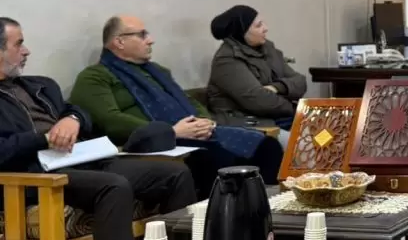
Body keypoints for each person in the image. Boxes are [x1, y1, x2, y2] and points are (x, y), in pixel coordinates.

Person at [0, 17, 196, 240]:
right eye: (19, 44)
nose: (26, 51)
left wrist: (72, 119)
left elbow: (79, 112)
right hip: (37, 174)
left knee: (175, 174)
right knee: (113, 186)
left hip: (81, 158)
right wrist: (45, 138)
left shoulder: (40, 85)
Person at [69, 16, 284, 191]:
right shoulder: (94, 77)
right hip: (148, 144)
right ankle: (220, 223)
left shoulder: (158, 71)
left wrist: (204, 122)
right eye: (142, 35)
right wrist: (171, 131)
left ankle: (264, 213)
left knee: (267, 146)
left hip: (191, 133)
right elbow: (110, 121)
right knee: (215, 156)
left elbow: (189, 101)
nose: (150, 40)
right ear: (119, 41)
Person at [206, 5, 306, 143]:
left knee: (328, 135)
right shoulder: (227, 60)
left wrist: (277, 87)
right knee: (305, 146)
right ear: (241, 32)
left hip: (280, 117)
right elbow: (260, 101)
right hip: (251, 125)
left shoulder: (267, 49)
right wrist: (296, 107)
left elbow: (300, 81)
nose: (266, 28)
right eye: (258, 25)